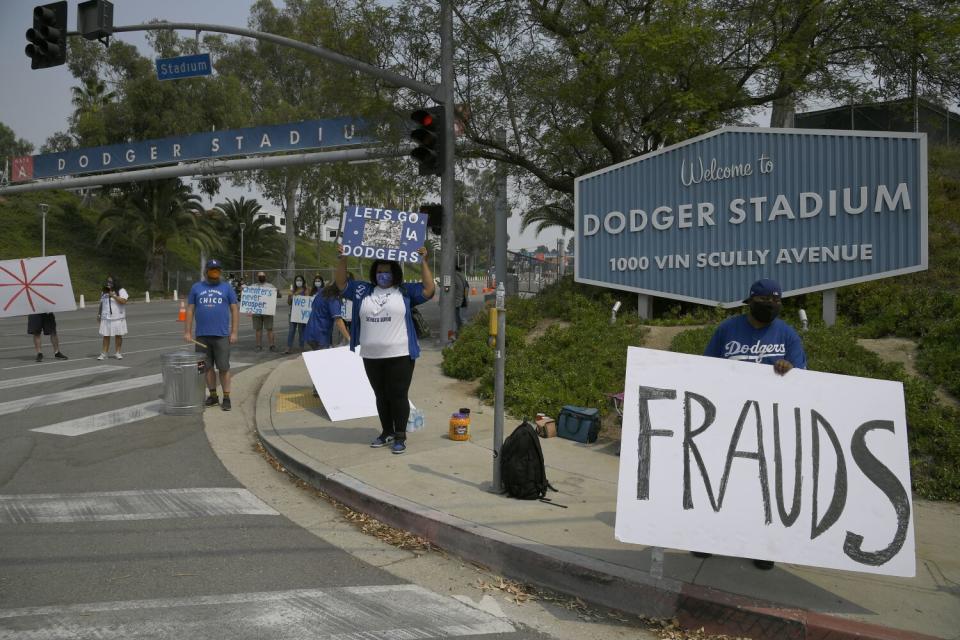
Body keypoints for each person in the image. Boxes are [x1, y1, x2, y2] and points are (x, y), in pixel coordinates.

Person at [694, 277, 807, 571]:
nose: (771, 306)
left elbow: (803, 377)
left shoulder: (787, 335)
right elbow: (706, 367)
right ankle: (708, 537)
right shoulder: (727, 329)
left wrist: (790, 369)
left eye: (776, 302)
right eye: (765, 301)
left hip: (768, 422)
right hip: (727, 418)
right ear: (751, 301)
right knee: (720, 480)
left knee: (763, 485)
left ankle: (760, 544)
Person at [335, 245, 435, 454]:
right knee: (380, 395)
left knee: (398, 394)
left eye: (387, 271)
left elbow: (428, 289)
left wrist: (423, 261)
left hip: (400, 354)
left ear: (394, 273)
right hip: (371, 355)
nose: (383, 275)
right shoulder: (363, 290)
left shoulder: (405, 291)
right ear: (374, 273)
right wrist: (343, 258)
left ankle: (400, 435)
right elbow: (341, 284)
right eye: (379, 271)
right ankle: (386, 431)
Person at [185, 259, 239, 411]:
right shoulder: (196, 288)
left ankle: (226, 397)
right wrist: (187, 332)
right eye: (212, 269)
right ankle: (213, 396)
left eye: (217, 269)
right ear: (206, 271)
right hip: (202, 336)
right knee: (205, 368)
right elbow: (190, 310)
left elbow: (235, 309)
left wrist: (234, 332)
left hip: (221, 336)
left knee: (223, 367)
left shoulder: (227, 288)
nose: (215, 272)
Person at [304, 281, 350, 350]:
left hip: (310, 332)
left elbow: (313, 305)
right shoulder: (333, 299)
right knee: (322, 357)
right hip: (321, 335)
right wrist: (349, 338)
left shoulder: (322, 292)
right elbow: (338, 320)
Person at [96, 275, 129, 360]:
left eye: (110, 282)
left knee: (118, 335)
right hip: (106, 317)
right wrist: (99, 314)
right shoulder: (104, 291)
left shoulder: (121, 291)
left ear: (115, 282)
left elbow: (124, 301)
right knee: (106, 336)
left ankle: (117, 353)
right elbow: (102, 303)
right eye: (108, 281)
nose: (108, 283)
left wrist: (113, 295)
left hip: (117, 317)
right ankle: (104, 353)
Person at [251, 271, 277, 351]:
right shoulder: (253, 286)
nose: (261, 277)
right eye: (259, 276)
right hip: (257, 312)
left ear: (265, 277)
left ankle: (272, 345)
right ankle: (258, 345)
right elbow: (247, 294)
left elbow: (276, 295)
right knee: (258, 329)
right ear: (257, 277)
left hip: (267, 311)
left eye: (262, 276)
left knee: (269, 329)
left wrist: (276, 292)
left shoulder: (270, 286)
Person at [284, 274, 308, 354]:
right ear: (295, 282)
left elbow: (308, 300)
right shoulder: (292, 290)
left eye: (300, 280)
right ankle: (288, 347)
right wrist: (290, 296)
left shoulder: (305, 290)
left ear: (303, 281)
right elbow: (289, 303)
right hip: (292, 313)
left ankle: (301, 347)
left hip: (301, 314)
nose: (299, 282)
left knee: (302, 331)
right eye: (297, 280)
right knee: (291, 331)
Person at [453, 264, 469, 333]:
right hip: (463, 300)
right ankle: (461, 333)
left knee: (459, 319)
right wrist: (465, 298)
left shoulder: (454, 276)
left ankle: (465, 333)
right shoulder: (462, 276)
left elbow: (448, 289)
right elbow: (467, 288)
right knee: (460, 318)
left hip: (458, 301)